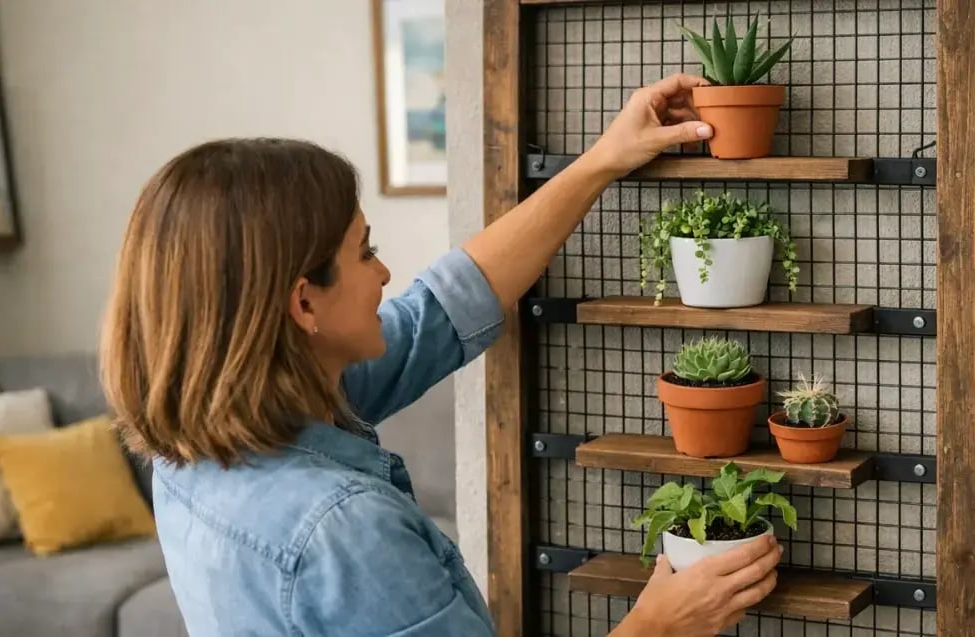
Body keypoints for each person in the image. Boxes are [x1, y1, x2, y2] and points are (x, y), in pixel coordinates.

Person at [98, 73, 782, 636]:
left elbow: (446, 304)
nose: (384, 272)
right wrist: (657, 627)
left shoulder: (197, 441)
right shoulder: (342, 531)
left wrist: (603, 158)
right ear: (303, 304)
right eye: (363, 251)